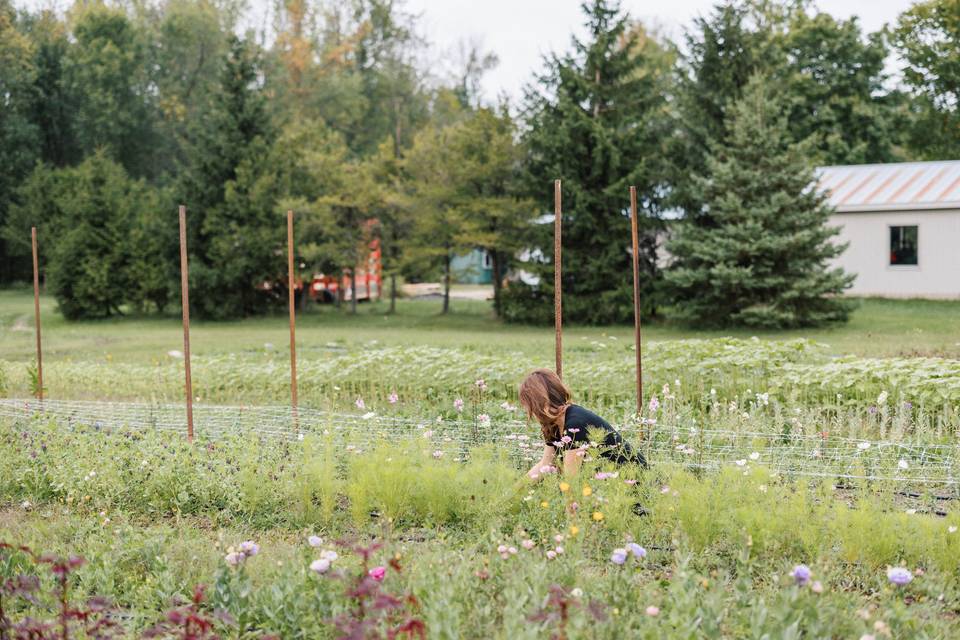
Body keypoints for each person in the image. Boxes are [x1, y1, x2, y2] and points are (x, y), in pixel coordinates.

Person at [518, 368, 647, 481]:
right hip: (610, 487)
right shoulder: (555, 424)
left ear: (539, 404)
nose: (528, 411)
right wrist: (511, 494)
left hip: (634, 485)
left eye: (528, 406)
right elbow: (545, 464)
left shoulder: (575, 423)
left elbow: (571, 483)